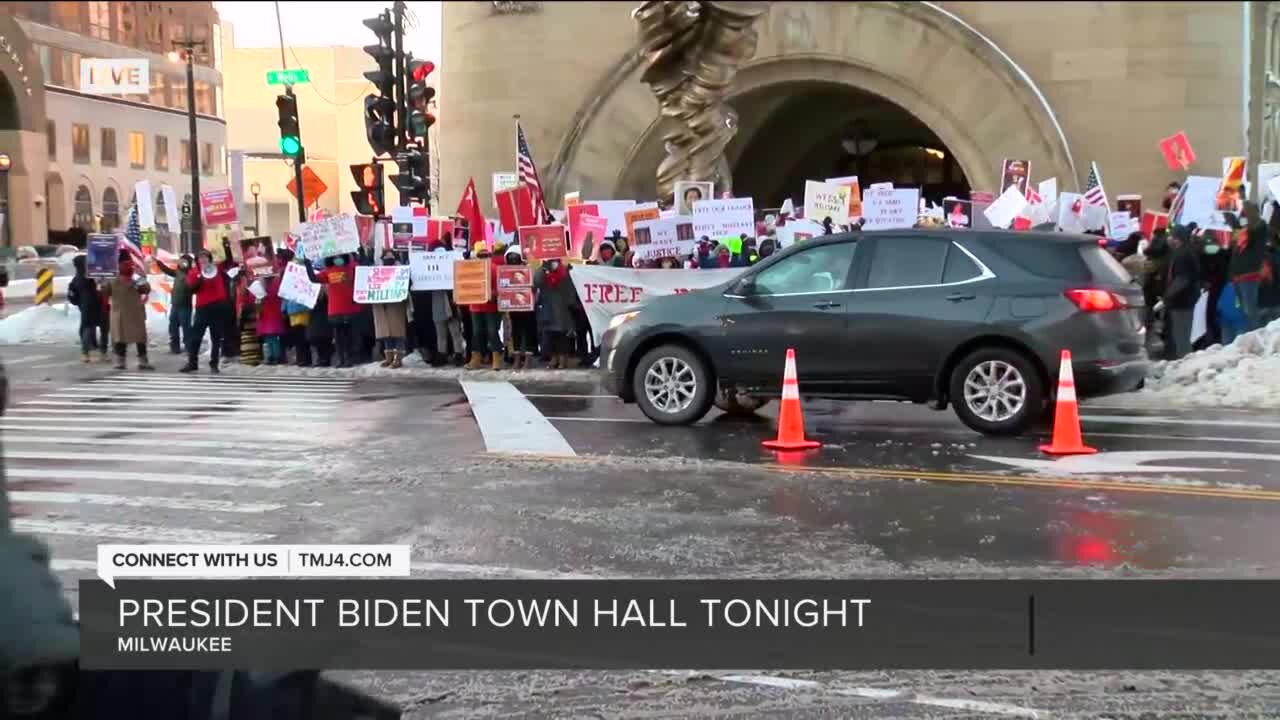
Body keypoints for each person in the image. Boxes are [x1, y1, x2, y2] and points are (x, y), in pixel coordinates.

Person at [181, 247, 235, 374]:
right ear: (197, 260)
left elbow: (229, 262)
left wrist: (226, 247)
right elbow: (191, 289)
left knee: (216, 337)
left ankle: (214, 364)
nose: (203, 259)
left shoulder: (217, 268)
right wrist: (200, 279)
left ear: (209, 258)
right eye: (200, 258)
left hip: (217, 307)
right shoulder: (194, 272)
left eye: (205, 257)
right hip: (202, 308)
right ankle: (192, 363)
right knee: (196, 337)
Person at [101, 250, 153, 371]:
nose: (126, 265)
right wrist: (101, 285)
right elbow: (105, 292)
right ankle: (120, 361)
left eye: (128, 263)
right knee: (120, 338)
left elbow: (146, 289)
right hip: (119, 312)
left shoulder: (135, 276)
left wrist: (139, 282)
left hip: (135, 311)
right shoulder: (112, 277)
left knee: (140, 337)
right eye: (123, 263)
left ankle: (143, 361)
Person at [307, 254, 358, 368]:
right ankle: (341, 360)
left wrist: (359, 254)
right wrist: (307, 264)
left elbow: (362, 270)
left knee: (348, 336)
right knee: (338, 337)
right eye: (335, 257)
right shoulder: (328, 271)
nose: (337, 259)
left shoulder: (351, 268)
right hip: (334, 309)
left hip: (348, 307)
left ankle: (348, 359)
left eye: (340, 256)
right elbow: (313, 279)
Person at [1228, 201, 1268, 334]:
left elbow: (1253, 227)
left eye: (1247, 212)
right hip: (1238, 276)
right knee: (1243, 310)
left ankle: (1257, 335)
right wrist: (1230, 218)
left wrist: (1243, 201)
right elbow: (1238, 234)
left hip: (1249, 274)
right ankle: (1249, 335)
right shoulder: (1245, 230)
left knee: (1250, 310)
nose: (1244, 214)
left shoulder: (1260, 226)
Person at [1163, 225, 1201, 360]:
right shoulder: (1184, 252)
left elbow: (1182, 280)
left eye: (1171, 236)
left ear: (1177, 238)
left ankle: (1185, 363)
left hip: (1181, 301)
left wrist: (1167, 296)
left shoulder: (1182, 254)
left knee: (1181, 337)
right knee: (1182, 336)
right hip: (1184, 300)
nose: (1168, 239)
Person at [465, 242, 504, 370]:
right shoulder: (471, 269)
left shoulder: (494, 268)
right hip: (475, 306)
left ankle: (496, 358)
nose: (483, 258)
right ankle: (476, 358)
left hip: (490, 306)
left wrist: (494, 293)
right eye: (480, 255)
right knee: (477, 332)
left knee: (492, 331)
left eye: (485, 255)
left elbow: (501, 287)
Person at [371, 250, 411, 369]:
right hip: (383, 305)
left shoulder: (401, 271)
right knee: (386, 333)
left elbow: (408, 284)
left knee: (397, 333)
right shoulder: (377, 270)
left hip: (396, 305)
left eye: (391, 257)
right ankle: (388, 357)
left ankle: (398, 358)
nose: (388, 259)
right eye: (386, 257)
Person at [66, 254, 109, 363]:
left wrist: (78, 303)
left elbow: (71, 294)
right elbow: (103, 287)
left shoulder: (76, 279)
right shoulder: (95, 276)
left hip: (86, 307)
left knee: (87, 329)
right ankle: (103, 353)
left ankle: (85, 354)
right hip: (100, 305)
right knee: (104, 329)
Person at [535, 257, 575, 369]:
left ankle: (563, 359)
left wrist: (570, 302)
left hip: (562, 308)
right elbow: (537, 281)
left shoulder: (565, 271)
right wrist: (543, 268)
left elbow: (570, 288)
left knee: (562, 335)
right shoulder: (544, 271)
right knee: (550, 335)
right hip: (548, 308)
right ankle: (554, 358)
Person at [503, 245, 538, 369]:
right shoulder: (506, 272)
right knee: (516, 332)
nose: (513, 260)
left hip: (528, 307)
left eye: (515, 257)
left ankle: (528, 359)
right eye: (511, 258)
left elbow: (535, 285)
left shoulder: (529, 269)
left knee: (529, 332)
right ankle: (517, 358)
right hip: (514, 306)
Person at [155, 253, 194, 354]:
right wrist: (159, 263)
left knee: (186, 326)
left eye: (185, 262)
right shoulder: (178, 272)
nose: (183, 263)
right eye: (181, 261)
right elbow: (167, 270)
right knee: (173, 326)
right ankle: (175, 346)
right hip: (175, 305)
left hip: (185, 305)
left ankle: (189, 346)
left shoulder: (191, 274)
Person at [255, 253, 288, 365]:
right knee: (270, 336)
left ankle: (275, 356)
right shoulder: (263, 283)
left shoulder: (276, 282)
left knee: (273, 336)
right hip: (267, 312)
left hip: (273, 311)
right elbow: (257, 299)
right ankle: (273, 356)